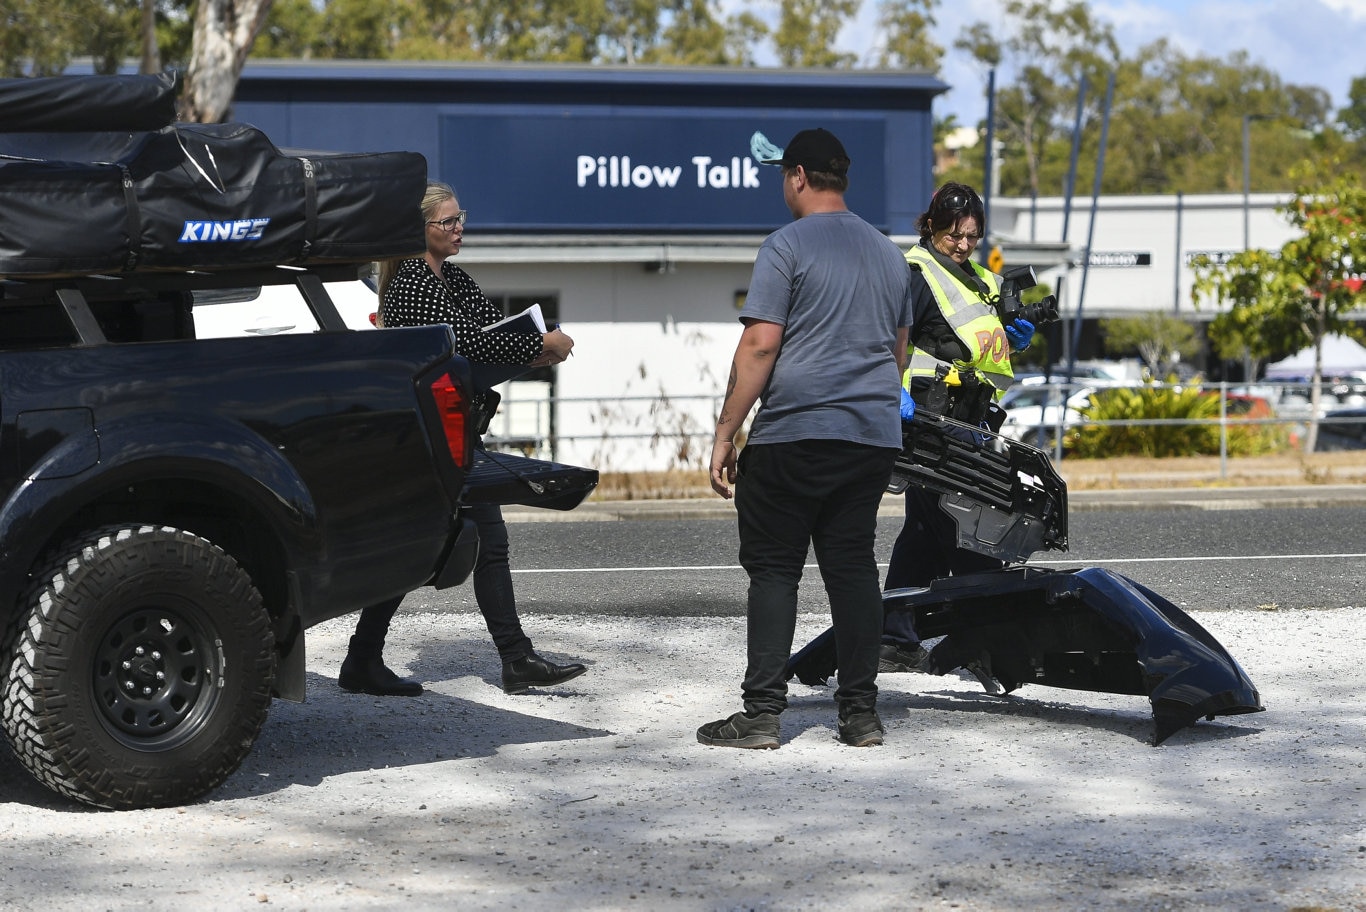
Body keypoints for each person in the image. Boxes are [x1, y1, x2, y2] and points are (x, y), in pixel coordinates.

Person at [696, 128, 924, 751]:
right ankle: (860, 716)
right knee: (852, 569)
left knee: (774, 570)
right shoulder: (888, 254)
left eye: (782, 177)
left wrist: (725, 433)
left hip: (794, 433)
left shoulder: (785, 245)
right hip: (870, 438)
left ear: (797, 176)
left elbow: (760, 343)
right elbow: (898, 353)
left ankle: (763, 715)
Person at [337, 180, 585, 698]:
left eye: (460, 218)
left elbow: (489, 335)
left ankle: (372, 660)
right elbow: (460, 342)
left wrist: (533, 350)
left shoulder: (453, 279)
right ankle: (511, 660)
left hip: (448, 434)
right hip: (424, 439)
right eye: (447, 222)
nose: (458, 228)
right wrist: (538, 342)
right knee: (439, 546)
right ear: (420, 229)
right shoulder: (411, 283)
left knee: (463, 545)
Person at [879, 181, 1036, 692]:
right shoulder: (915, 274)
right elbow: (890, 341)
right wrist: (892, 394)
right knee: (964, 525)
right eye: (954, 235)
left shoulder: (978, 280)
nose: (964, 244)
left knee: (928, 531)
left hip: (967, 423)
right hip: (929, 425)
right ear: (930, 227)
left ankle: (896, 635)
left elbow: (978, 352)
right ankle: (979, 639)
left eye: (971, 235)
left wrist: (1015, 338)